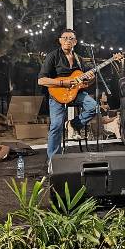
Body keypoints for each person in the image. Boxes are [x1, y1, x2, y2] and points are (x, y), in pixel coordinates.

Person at [37, 29, 97, 171]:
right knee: (56, 126)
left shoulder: (79, 58)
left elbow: (86, 82)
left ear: (75, 42)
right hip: (57, 95)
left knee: (94, 106)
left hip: (76, 93)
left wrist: (91, 79)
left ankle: (73, 124)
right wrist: (63, 83)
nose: (68, 40)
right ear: (60, 40)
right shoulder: (53, 56)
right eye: (65, 38)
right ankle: (53, 161)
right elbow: (41, 80)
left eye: (71, 38)